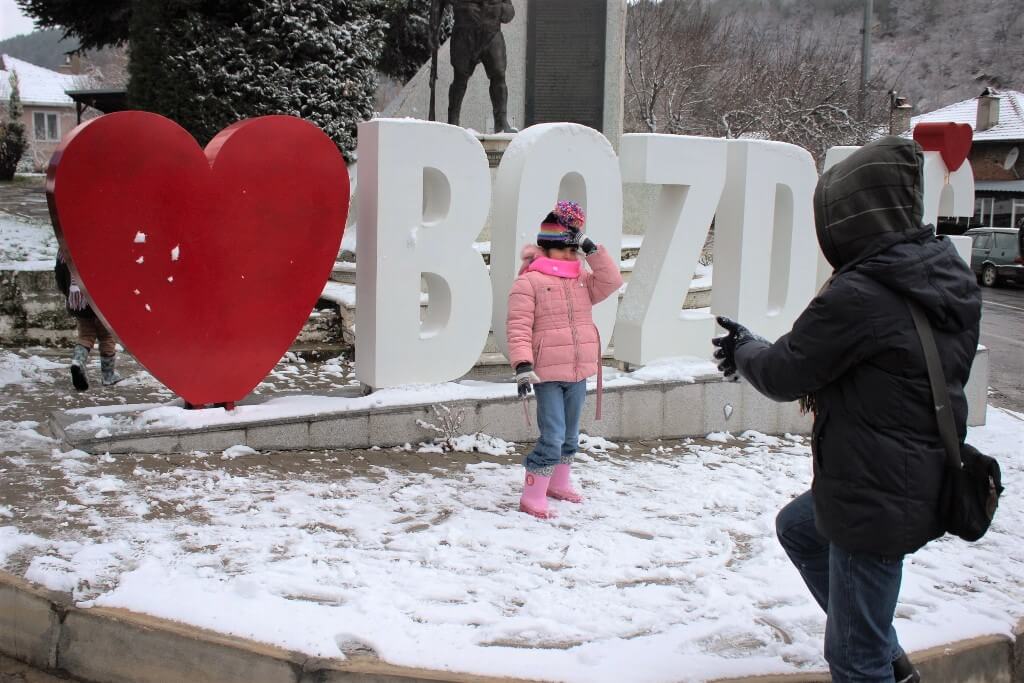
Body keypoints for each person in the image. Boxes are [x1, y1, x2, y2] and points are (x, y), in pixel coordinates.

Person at [711, 137, 981, 683]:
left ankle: (877, 660)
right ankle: (891, 658)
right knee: (800, 529)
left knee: (853, 662)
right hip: (910, 472)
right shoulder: (941, 273)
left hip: (873, 495)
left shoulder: (862, 293)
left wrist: (743, 349)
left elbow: (788, 372)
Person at [506, 201, 623, 518]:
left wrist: (591, 247)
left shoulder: (582, 280)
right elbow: (518, 326)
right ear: (550, 247)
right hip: (545, 373)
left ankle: (557, 484)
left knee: (570, 436)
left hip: (578, 370)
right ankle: (532, 495)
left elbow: (612, 281)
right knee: (553, 435)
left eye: (576, 250)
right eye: (568, 249)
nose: (573, 256)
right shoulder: (528, 281)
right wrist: (522, 365)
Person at [442, 0, 517, 133]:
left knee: (499, 76)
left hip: (491, 33)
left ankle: (501, 121)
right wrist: (433, 29)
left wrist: (499, 9)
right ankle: (453, 122)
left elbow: (509, 10)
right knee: (460, 78)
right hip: (464, 33)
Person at [55, 247, 124, 391]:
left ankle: (78, 362)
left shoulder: (64, 247)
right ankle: (108, 375)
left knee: (86, 335)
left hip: (78, 300)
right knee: (106, 337)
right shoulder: (97, 243)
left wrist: (68, 294)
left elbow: (59, 275)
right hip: (101, 300)